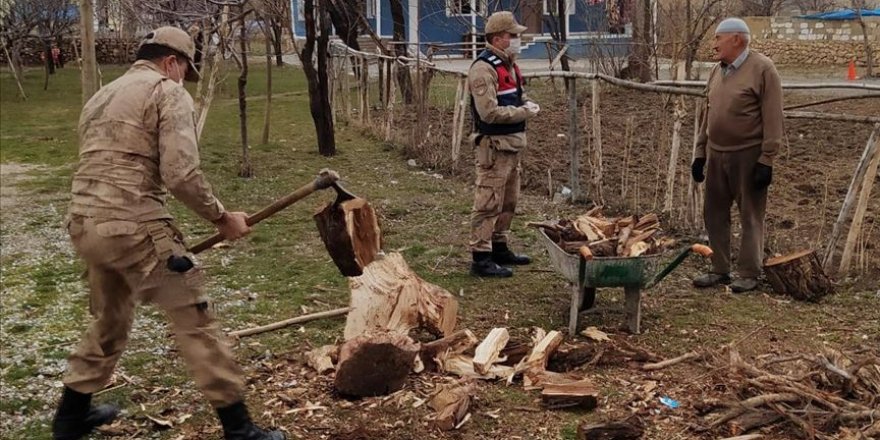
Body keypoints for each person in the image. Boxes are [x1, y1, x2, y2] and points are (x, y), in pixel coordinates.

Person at [52, 27, 284, 440]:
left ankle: (70, 419)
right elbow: (180, 174)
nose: (183, 80)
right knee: (196, 320)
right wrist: (222, 217)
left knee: (110, 319)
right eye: (184, 71)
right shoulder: (167, 91)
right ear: (172, 62)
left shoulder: (102, 95)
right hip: (134, 226)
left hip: (84, 223)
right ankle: (241, 430)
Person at [691, 18, 783, 293]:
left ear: (737, 40)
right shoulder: (717, 72)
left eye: (719, 38)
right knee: (714, 213)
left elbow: (773, 116)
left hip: (748, 154)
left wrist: (767, 158)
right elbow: (707, 113)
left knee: (750, 214)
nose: (714, 43)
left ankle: (749, 272)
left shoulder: (763, 69)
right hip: (718, 153)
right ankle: (720, 268)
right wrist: (700, 152)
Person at [467, 11, 541, 278]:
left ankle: (499, 246)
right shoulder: (483, 69)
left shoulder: (509, 64)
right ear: (498, 38)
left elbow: (516, 96)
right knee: (488, 201)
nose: (517, 39)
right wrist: (525, 112)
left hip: (512, 144)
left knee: (508, 200)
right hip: (494, 146)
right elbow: (489, 113)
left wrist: (526, 103)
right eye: (513, 35)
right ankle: (481, 256)